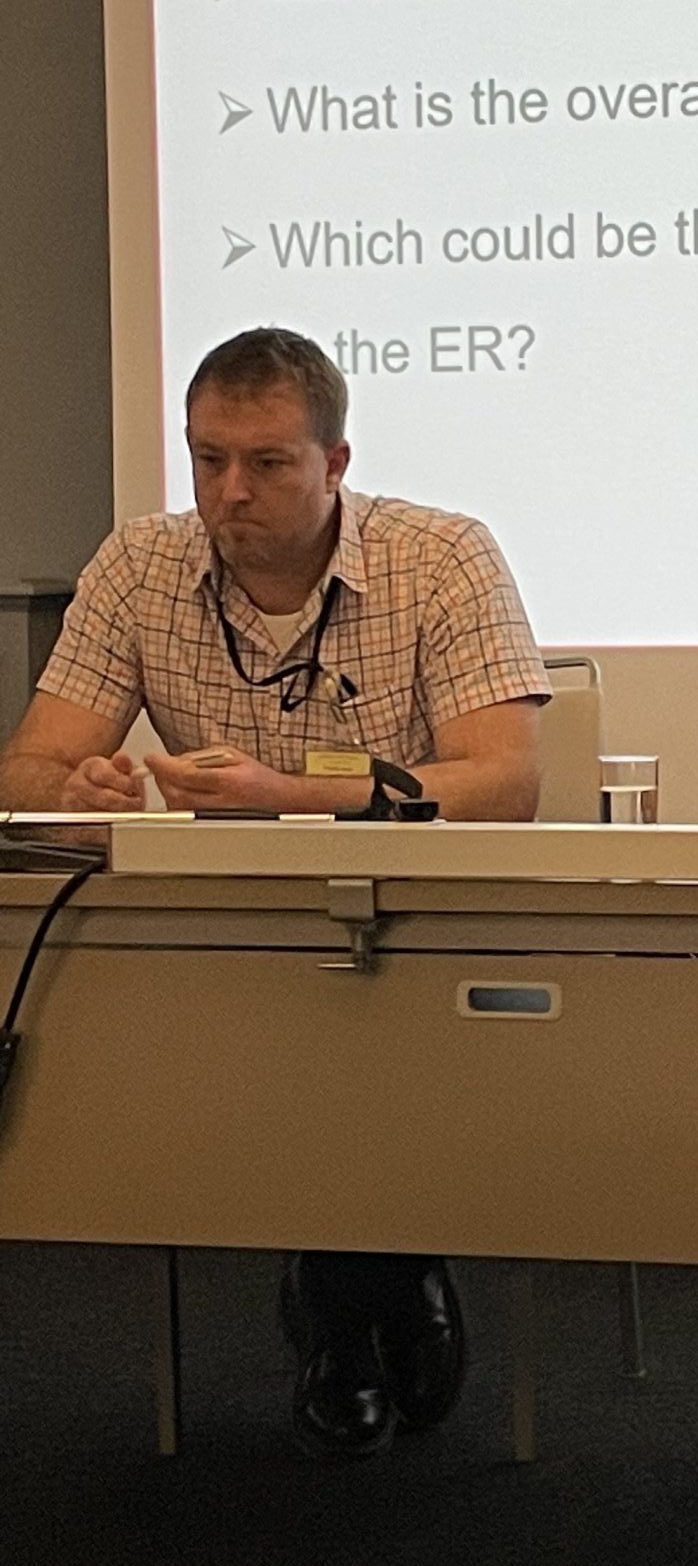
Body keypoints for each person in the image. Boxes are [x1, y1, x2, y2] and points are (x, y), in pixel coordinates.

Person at [0, 328, 549, 1459]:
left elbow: (503, 785)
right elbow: (27, 770)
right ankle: (375, 1287)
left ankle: (350, 1305)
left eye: (266, 464)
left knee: (354, 1024)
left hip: (419, 925)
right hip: (225, 940)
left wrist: (287, 795)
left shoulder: (442, 557)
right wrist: (78, 790)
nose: (230, 493)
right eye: (207, 460)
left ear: (335, 463)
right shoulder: (139, 565)